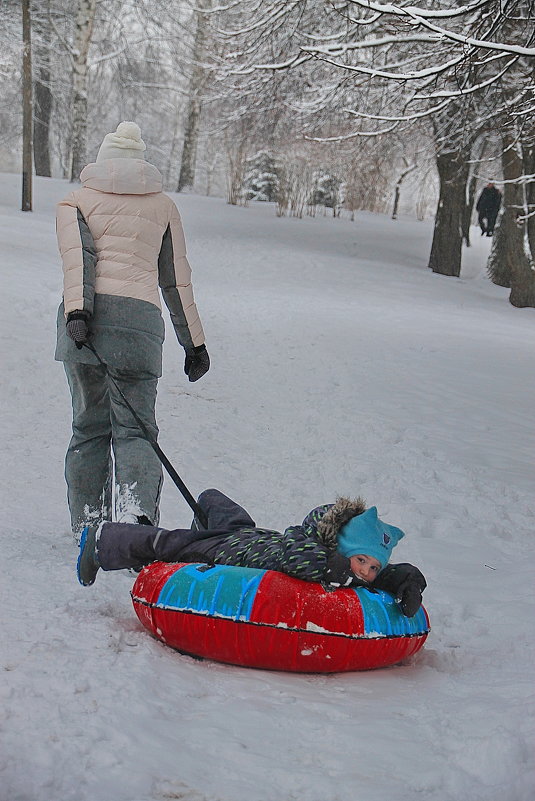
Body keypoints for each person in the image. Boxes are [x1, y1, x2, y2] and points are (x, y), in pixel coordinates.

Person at [55, 121, 209, 539]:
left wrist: (78, 313)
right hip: (138, 330)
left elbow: (78, 261)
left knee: (88, 428)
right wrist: (193, 342)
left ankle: (89, 526)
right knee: (137, 431)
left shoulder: (75, 201)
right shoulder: (163, 207)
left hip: (83, 329)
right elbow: (175, 280)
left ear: (103, 161)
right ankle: (137, 525)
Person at [77, 488, 427, 617]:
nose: (365, 572)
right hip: (228, 553)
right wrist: (339, 568)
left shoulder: (354, 570)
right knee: (169, 544)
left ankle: (209, 505)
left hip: (251, 537)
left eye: (373, 567)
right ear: (339, 548)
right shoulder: (309, 549)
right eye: (361, 560)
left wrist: (403, 578)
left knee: (219, 507)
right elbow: (299, 559)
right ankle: (102, 540)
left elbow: (378, 576)